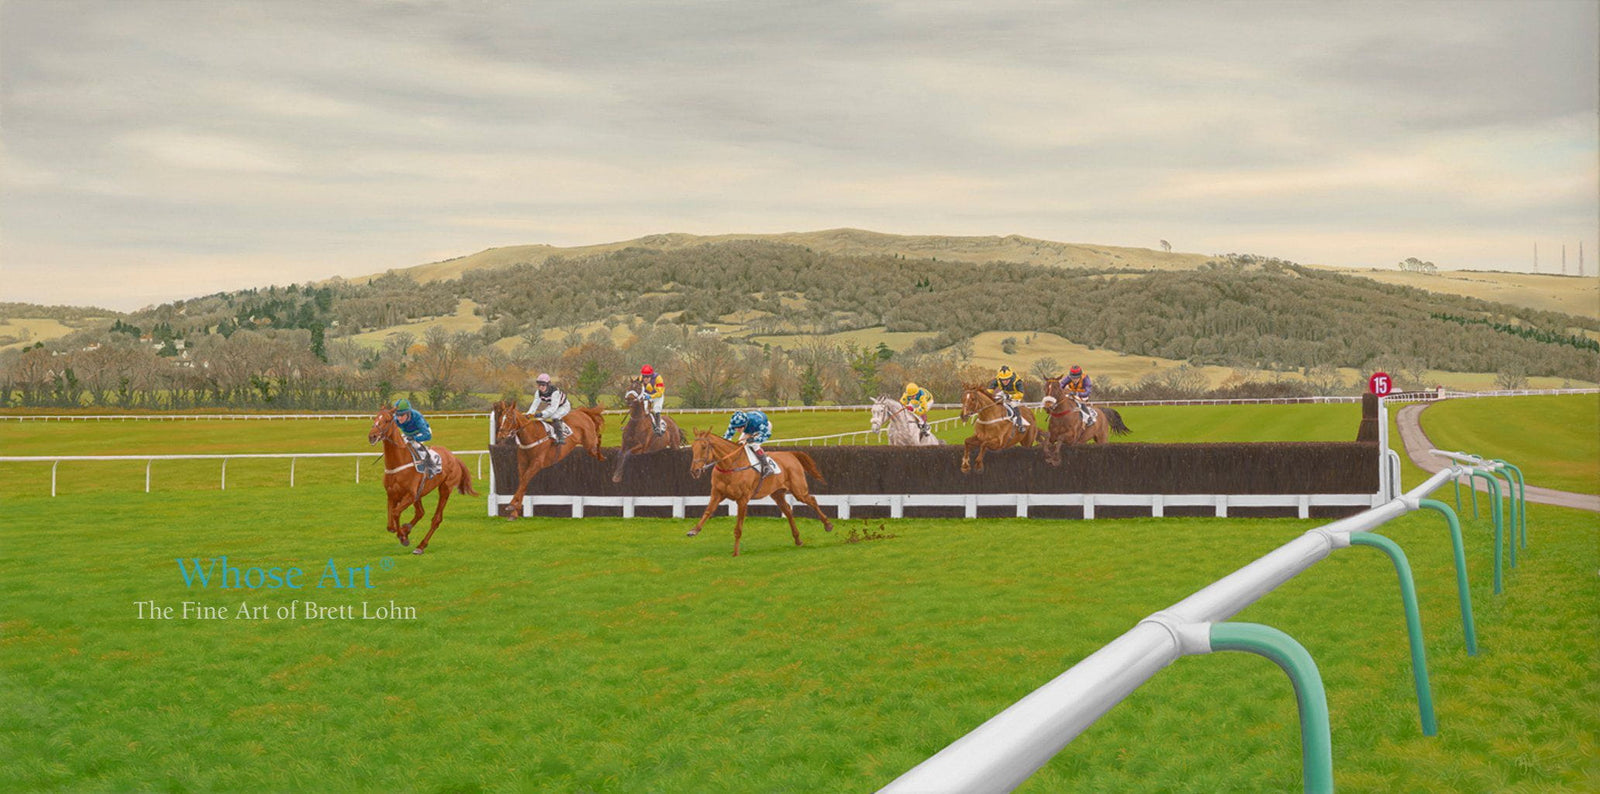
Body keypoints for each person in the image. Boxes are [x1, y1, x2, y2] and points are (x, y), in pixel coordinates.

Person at [392, 398, 439, 475]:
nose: (399, 418)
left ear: (408, 413)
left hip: (422, 432)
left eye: (402, 415)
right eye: (397, 415)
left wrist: (414, 438)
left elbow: (428, 436)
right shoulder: (395, 419)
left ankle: (430, 465)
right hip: (408, 434)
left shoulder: (417, 418)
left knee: (415, 445)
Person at [724, 409, 777, 475]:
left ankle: (766, 466)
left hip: (763, 428)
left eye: (739, 428)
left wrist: (755, 439)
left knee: (753, 444)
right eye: (735, 428)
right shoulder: (734, 423)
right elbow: (727, 437)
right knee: (740, 443)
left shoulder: (756, 422)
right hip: (749, 429)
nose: (737, 430)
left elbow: (767, 434)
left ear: (745, 424)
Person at [529, 373, 572, 444]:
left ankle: (560, 436)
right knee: (540, 419)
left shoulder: (555, 392)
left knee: (554, 416)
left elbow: (553, 409)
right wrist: (529, 414)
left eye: (543, 385)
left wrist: (541, 414)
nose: (541, 387)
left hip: (563, 406)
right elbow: (534, 404)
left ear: (548, 384)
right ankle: (550, 434)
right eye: (539, 385)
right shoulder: (538, 392)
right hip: (552, 406)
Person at [988, 365, 1028, 430]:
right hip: (1005, 392)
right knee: (995, 399)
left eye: (1007, 379)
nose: (1005, 381)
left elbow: (1021, 394)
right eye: (1003, 380)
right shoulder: (997, 379)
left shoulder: (1017, 381)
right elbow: (989, 390)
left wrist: (1010, 396)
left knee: (1013, 404)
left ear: (1011, 377)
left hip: (1015, 395)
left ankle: (1020, 424)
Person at [638, 364, 666, 435]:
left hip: (657, 395)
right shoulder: (640, 378)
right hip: (647, 394)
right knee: (643, 409)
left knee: (656, 408)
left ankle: (659, 426)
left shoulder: (658, 378)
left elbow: (660, 392)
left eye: (647, 377)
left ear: (651, 375)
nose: (645, 379)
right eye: (644, 376)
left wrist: (651, 397)